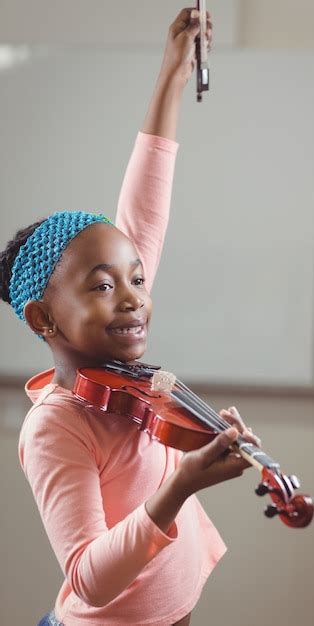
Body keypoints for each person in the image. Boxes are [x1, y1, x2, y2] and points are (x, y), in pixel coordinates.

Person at [0, 8, 260, 626]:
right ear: (44, 319)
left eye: (138, 279)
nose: (133, 296)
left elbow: (147, 200)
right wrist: (180, 486)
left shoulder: (129, 382)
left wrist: (173, 68)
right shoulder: (56, 428)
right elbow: (88, 580)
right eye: (102, 285)